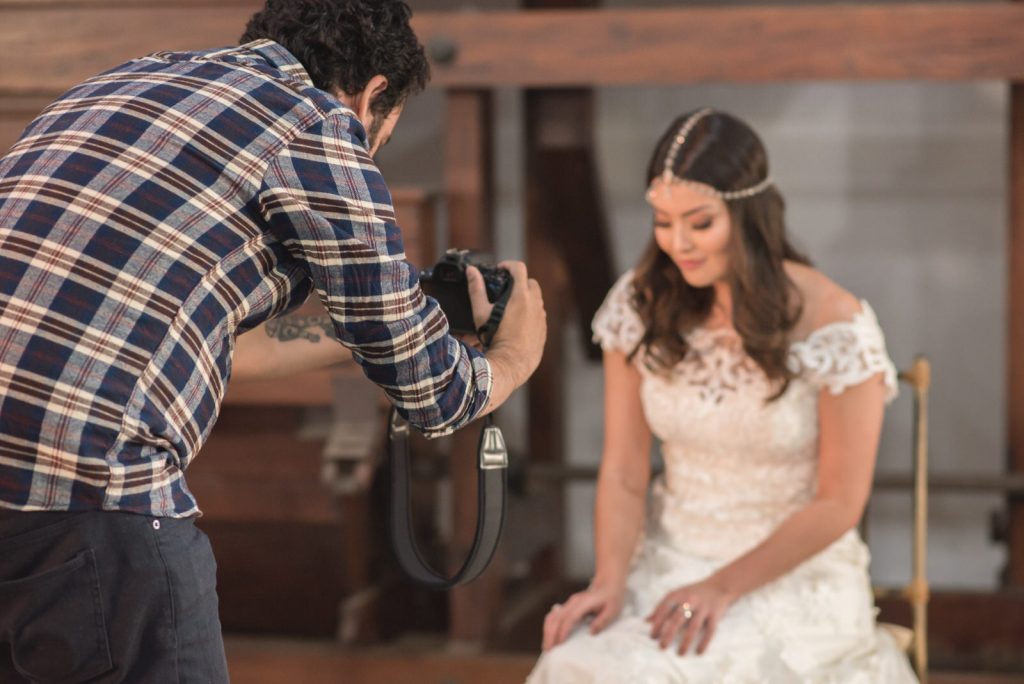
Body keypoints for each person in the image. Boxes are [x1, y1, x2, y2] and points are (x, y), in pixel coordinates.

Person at [0, 1, 545, 681]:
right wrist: (516, 355)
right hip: (90, 493)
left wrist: (377, 323)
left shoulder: (133, 80)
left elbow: (215, 345)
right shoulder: (316, 120)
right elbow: (434, 393)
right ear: (376, 93)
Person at [528, 108, 916, 683]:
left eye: (699, 222)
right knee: (574, 664)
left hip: (790, 574)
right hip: (667, 557)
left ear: (747, 213)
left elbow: (839, 504)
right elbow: (626, 470)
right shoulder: (641, 304)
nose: (678, 243)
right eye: (662, 221)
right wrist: (608, 579)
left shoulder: (834, 322)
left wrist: (720, 587)